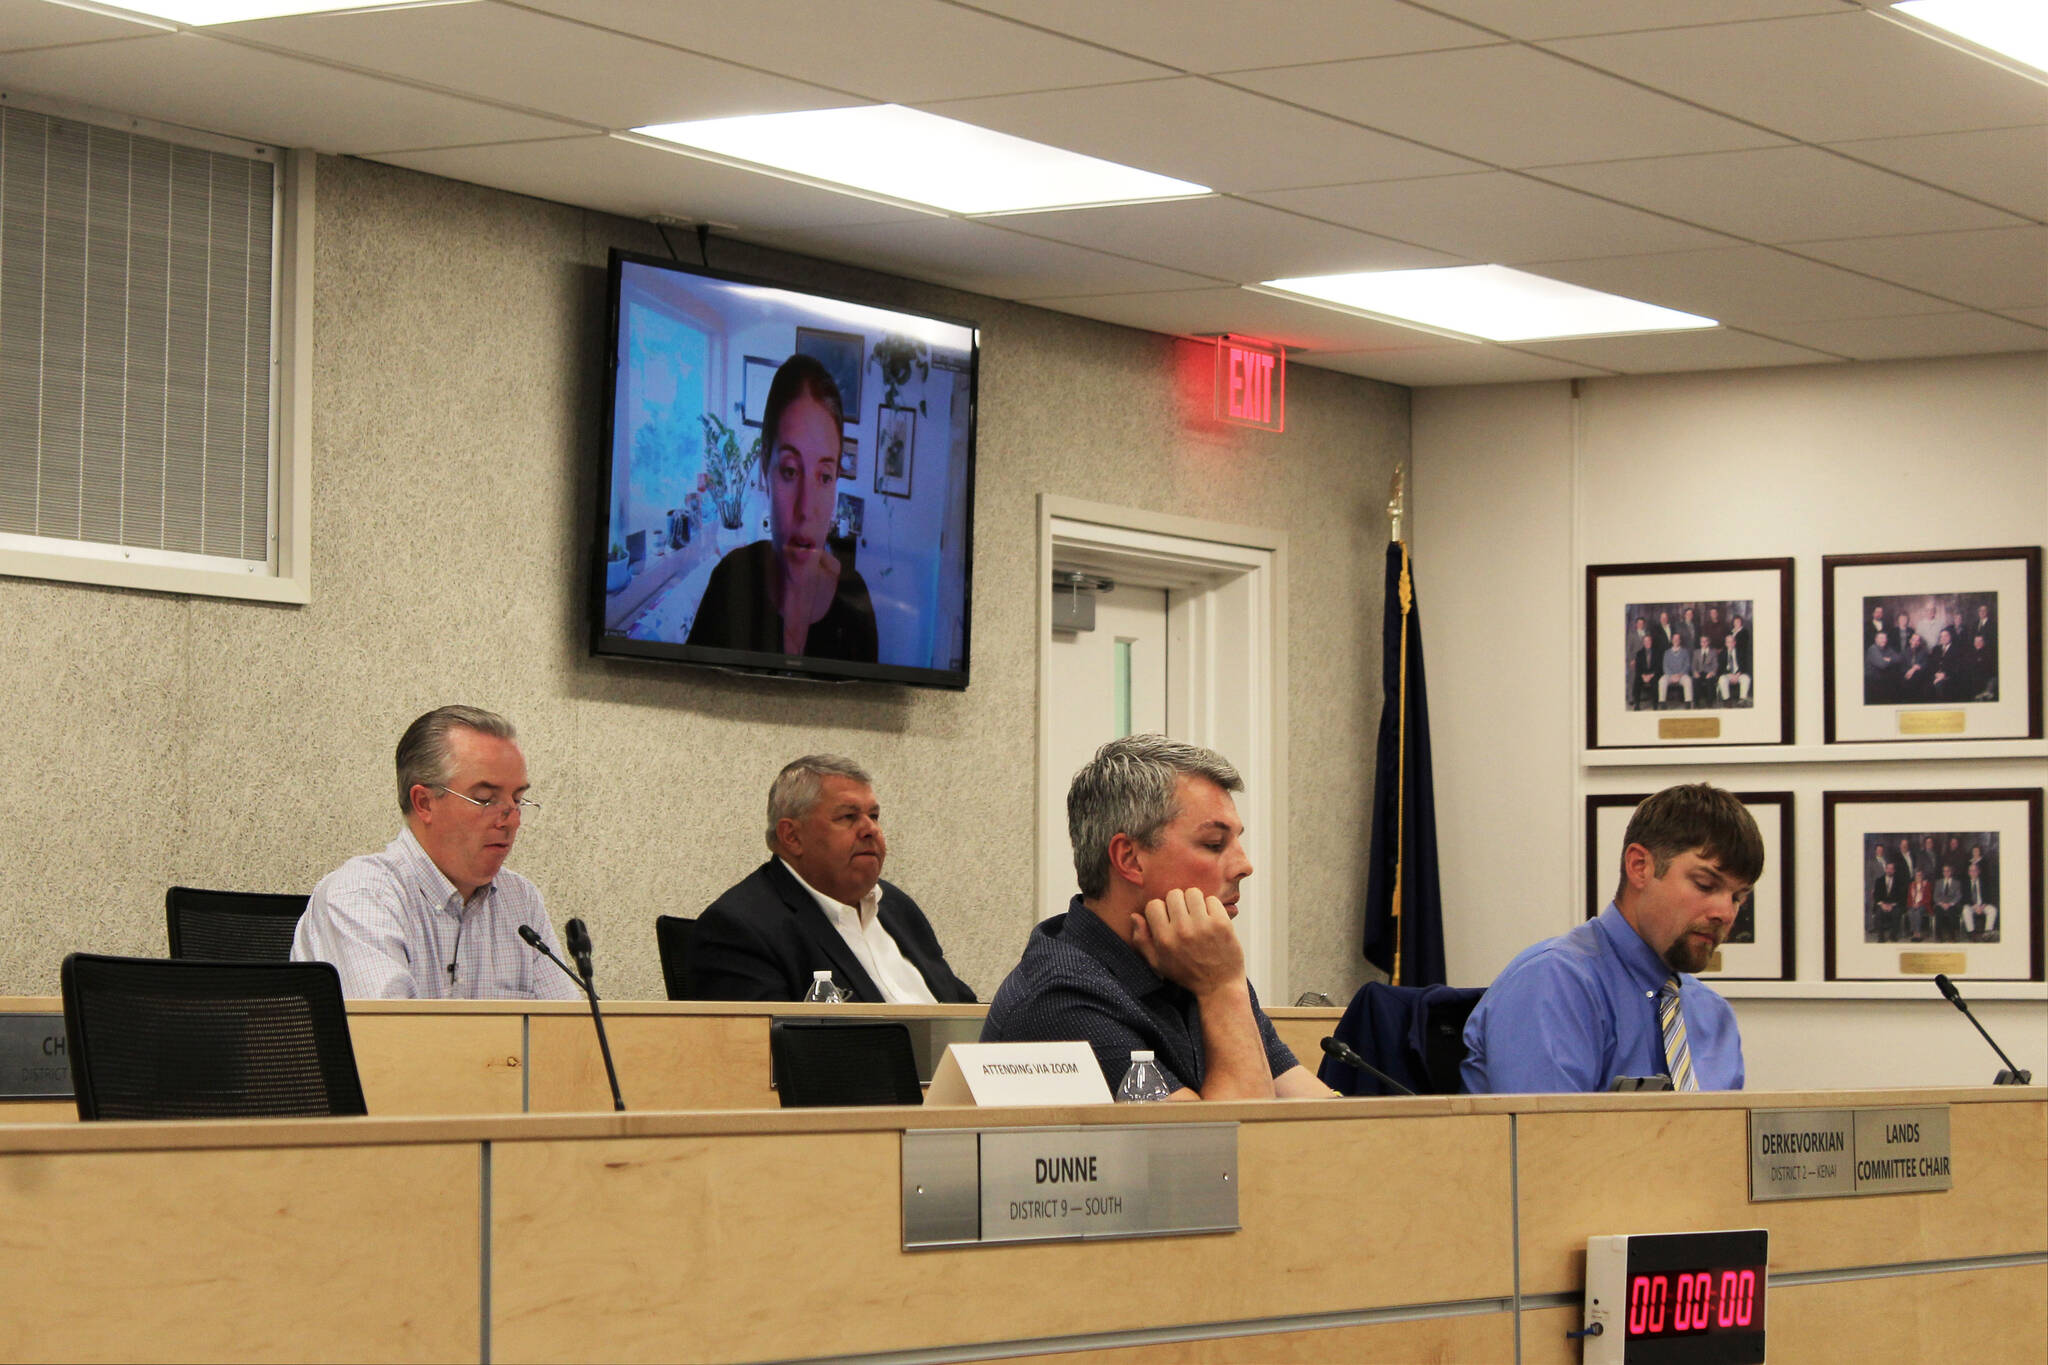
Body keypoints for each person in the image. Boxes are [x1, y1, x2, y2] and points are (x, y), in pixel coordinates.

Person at [982, 734, 1329, 1099]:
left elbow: (1321, 1119)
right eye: (1214, 844)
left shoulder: (1194, 958)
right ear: (1129, 859)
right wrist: (1221, 989)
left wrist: (1221, 987)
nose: (1245, 865)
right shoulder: (1060, 999)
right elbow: (1229, 1147)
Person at [1463, 783, 1759, 1093]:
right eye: (1705, 885)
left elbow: (1728, 1138)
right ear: (1639, 866)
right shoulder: (1555, 982)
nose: (1725, 913)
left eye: (1738, 897)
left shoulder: (1712, 1014)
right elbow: (1546, 1138)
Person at [292, 705, 580, 1000]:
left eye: (518, 800)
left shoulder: (520, 901)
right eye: (485, 799)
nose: (512, 820)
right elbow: (388, 1040)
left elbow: (571, 1033)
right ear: (424, 803)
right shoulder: (361, 896)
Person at [685, 755, 974, 1003]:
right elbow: (768, 1054)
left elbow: (962, 1010)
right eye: (849, 817)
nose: (870, 829)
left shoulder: (897, 907)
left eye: (874, 815)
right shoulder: (741, 929)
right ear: (792, 836)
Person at [685, 354, 878, 661]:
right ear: (765, 468)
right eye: (790, 471)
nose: (806, 509)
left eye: (825, 476)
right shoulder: (730, 580)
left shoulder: (855, 605)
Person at [1870, 857, 1903, 943]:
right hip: (1882, 904)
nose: (1889, 870)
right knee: (1878, 913)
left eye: (1891, 869)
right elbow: (1876, 895)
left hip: (1893, 905)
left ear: (1894, 870)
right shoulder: (1879, 880)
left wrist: (1891, 905)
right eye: (1888, 868)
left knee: (1897, 912)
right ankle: (1881, 937)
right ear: (1885, 869)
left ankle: (1893, 936)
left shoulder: (1899, 881)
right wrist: (1882, 904)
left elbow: (1900, 896)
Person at [1864, 630, 1900, 703]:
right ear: (1876, 639)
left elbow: (1899, 658)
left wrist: (1889, 659)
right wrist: (1887, 661)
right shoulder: (1873, 649)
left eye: (1885, 638)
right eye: (1881, 638)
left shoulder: (1887, 648)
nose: (1883, 640)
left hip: (1883, 679)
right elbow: (1882, 665)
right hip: (1873, 680)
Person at [1658, 633, 1693, 706]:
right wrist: (1671, 676)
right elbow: (1665, 666)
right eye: (1674, 639)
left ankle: (1688, 703)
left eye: (1678, 639)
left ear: (1680, 641)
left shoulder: (1685, 651)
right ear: (1672, 640)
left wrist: (1679, 675)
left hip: (1681, 675)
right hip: (1670, 675)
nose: (1676, 640)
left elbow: (1687, 665)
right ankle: (1662, 702)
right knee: (1662, 680)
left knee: (1688, 680)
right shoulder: (1667, 652)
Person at [1719, 628, 1752, 703]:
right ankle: (1727, 700)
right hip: (1728, 674)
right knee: (1722, 679)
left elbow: (1745, 665)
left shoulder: (1740, 652)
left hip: (1738, 674)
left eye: (1732, 642)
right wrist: (1729, 674)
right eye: (1728, 642)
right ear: (1725, 644)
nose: (1730, 644)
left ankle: (1742, 700)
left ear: (1735, 643)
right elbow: (1720, 668)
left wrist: (1738, 674)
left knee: (1746, 678)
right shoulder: (1722, 654)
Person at [1932, 864, 1963, 942]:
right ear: (1942, 872)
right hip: (1940, 904)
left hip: (1952, 904)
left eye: (1948, 871)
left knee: (1952, 912)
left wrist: (1950, 904)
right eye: (1944, 871)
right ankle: (1939, 936)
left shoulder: (1957, 883)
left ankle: (1952, 936)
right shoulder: (1938, 882)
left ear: (1951, 872)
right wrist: (1942, 904)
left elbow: (1958, 896)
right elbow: (1935, 896)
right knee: (1938, 912)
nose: (1946, 873)